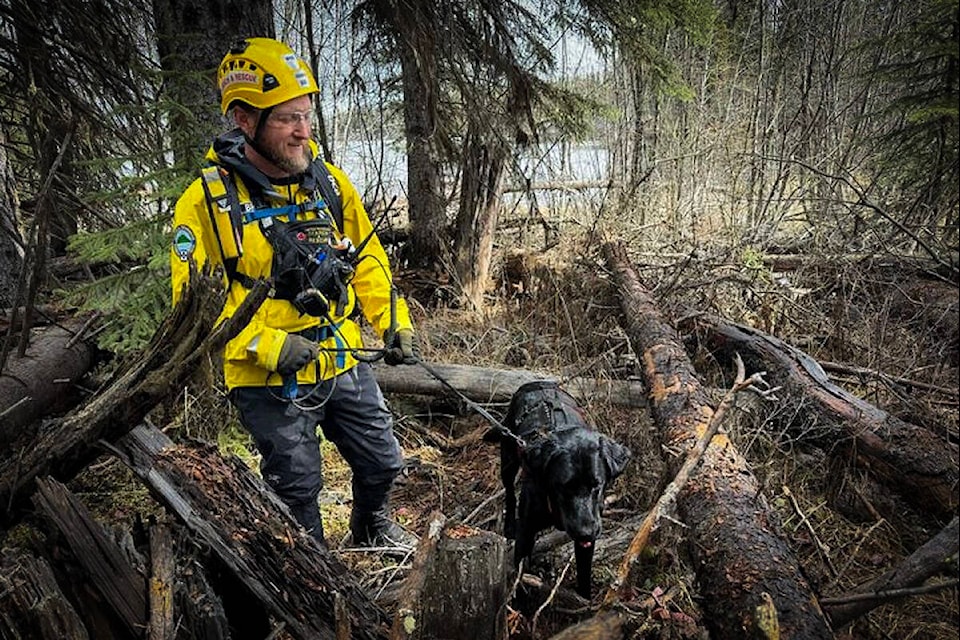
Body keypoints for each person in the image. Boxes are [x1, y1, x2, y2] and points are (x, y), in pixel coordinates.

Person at [170, 37, 419, 550]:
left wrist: (394, 322)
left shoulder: (326, 182)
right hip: (265, 375)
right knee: (297, 485)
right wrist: (269, 347)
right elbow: (194, 310)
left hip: (339, 352)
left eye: (306, 115)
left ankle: (372, 527)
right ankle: (311, 567)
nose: (304, 131)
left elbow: (368, 256)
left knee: (383, 460)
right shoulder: (207, 205)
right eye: (287, 119)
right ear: (243, 119)